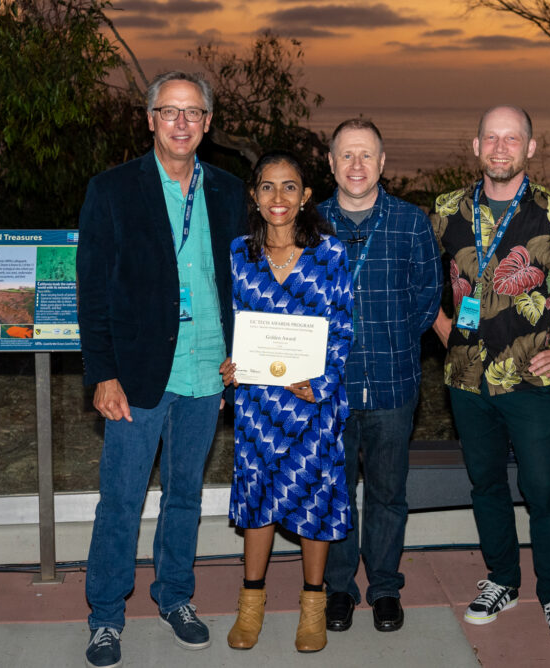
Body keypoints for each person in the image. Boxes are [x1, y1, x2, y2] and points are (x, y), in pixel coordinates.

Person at [76, 71, 247, 668]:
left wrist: (242, 355)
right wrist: (102, 373)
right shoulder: (113, 189)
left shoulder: (229, 191)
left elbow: (240, 285)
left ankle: (175, 596)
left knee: (184, 494)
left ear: (206, 123)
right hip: (137, 374)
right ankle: (105, 616)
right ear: (149, 120)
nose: (181, 122)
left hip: (207, 369)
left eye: (192, 112)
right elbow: (91, 292)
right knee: (120, 498)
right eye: (169, 111)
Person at [430, 105, 550, 647]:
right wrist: (442, 326)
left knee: (543, 490)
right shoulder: (446, 210)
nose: (501, 147)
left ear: (531, 148)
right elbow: (416, 279)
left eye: (513, 138)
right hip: (465, 379)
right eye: (492, 137)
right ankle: (502, 580)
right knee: (485, 484)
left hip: (531, 379)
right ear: (476, 145)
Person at [219, 151, 353, 653]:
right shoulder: (237, 253)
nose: (279, 198)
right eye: (269, 187)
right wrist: (228, 363)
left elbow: (342, 327)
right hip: (256, 401)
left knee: (314, 498)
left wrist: (319, 382)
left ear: (306, 196)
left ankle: (312, 606)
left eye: (290, 187)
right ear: (254, 196)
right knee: (258, 499)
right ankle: (250, 605)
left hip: (312, 404)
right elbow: (227, 320)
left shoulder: (330, 254)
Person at [317, 118, 443, 632]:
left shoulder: (412, 223)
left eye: (366, 155)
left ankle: (385, 585)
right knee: (337, 489)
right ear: (330, 163)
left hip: (393, 382)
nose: (356, 165)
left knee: (389, 492)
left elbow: (428, 297)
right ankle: (340, 587)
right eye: (346, 155)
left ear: (383, 163)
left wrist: (391, 342)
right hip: (329, 387)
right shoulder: (311, 223)